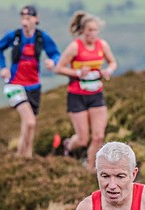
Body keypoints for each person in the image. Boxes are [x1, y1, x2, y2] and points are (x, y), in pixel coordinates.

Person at [0, 6, 60, 158]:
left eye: (28, 19)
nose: (24, 22)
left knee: (28, 124)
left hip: (34, 86)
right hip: (15, 84)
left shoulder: (41, 37)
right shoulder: (14, 36)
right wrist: (3, 67)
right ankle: (22, 158)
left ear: (36, 19)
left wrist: (53, 61)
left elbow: (55, 53)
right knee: (30, 122)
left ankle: (25, 157)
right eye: (23, 19)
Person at [54, 11, 118, 171]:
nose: (93, 33)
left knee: (99, 136)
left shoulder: (102, 45)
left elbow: (112, 62)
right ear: (82, 30)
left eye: (95, 30)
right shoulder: (75, 47)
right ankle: (68, 145)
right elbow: (59, 68)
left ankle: (90, 169)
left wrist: (108, 70)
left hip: (96, 94)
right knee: (83, 140)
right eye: (90, 30)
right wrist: (77, 72)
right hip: (77, 95)